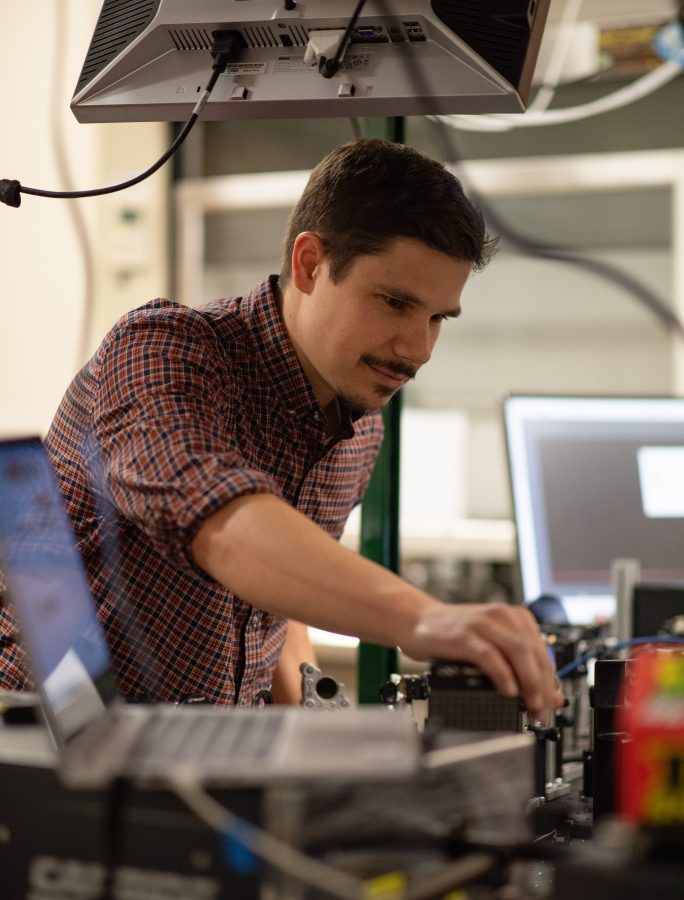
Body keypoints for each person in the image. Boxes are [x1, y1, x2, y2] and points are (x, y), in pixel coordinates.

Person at [0, 138, 562, 716]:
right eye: (395, 302)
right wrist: (424, 618)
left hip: (205, 768)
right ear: (311, 264)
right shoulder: (161, 349)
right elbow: (222, 526)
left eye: (438, 318)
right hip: (43, 760)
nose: (418, 349)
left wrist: (318, 734)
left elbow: (275, 593)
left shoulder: (360, 423)